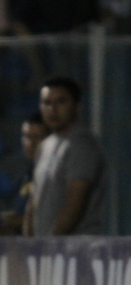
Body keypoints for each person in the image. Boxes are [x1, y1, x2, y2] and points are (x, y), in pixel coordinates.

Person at [24, 77, 106, 236]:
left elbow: (75, 202)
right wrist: (30, 244)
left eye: (60, 102)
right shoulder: (45, 146)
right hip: (46, 252)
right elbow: (33, 201)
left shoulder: (82, 145)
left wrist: (49, 245)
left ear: (77, 106)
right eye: (46, 103)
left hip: (75, 252)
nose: (52, 109)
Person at [0, 112, 50, 238]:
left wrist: (14, 220)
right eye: (26, 137)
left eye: (37, 137)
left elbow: (51, 218)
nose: (30, 144)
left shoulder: (55, 174)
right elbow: (18, 226)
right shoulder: (26, 176)